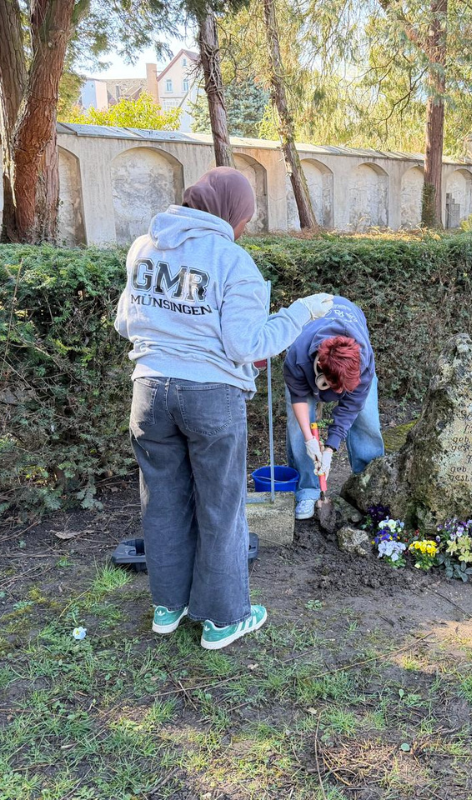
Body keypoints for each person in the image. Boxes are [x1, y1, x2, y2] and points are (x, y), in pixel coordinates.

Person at [114, 167, 332, 650]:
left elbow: (125, 323)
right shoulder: (233, 262)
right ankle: (224, 619)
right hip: (210, 396)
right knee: (221, 507)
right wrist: (300, 313)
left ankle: (169, 607)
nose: (244, 228)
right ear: (230, 212)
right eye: (246, 219)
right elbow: (246, 344)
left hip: (148, 392)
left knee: (163, 500)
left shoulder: (144, 247)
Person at [283, 297, 384, 519]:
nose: (336, 396)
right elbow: (299, 397)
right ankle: (307, 490)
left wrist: (329, 449)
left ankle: (367, 484)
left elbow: (350, 407)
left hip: (349, 365)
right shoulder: (298, 356)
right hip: (307, 367)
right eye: (333, 388)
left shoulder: (362, 360)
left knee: (367, 419)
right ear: (319, 365)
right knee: (298, 428)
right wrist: (311, 440)